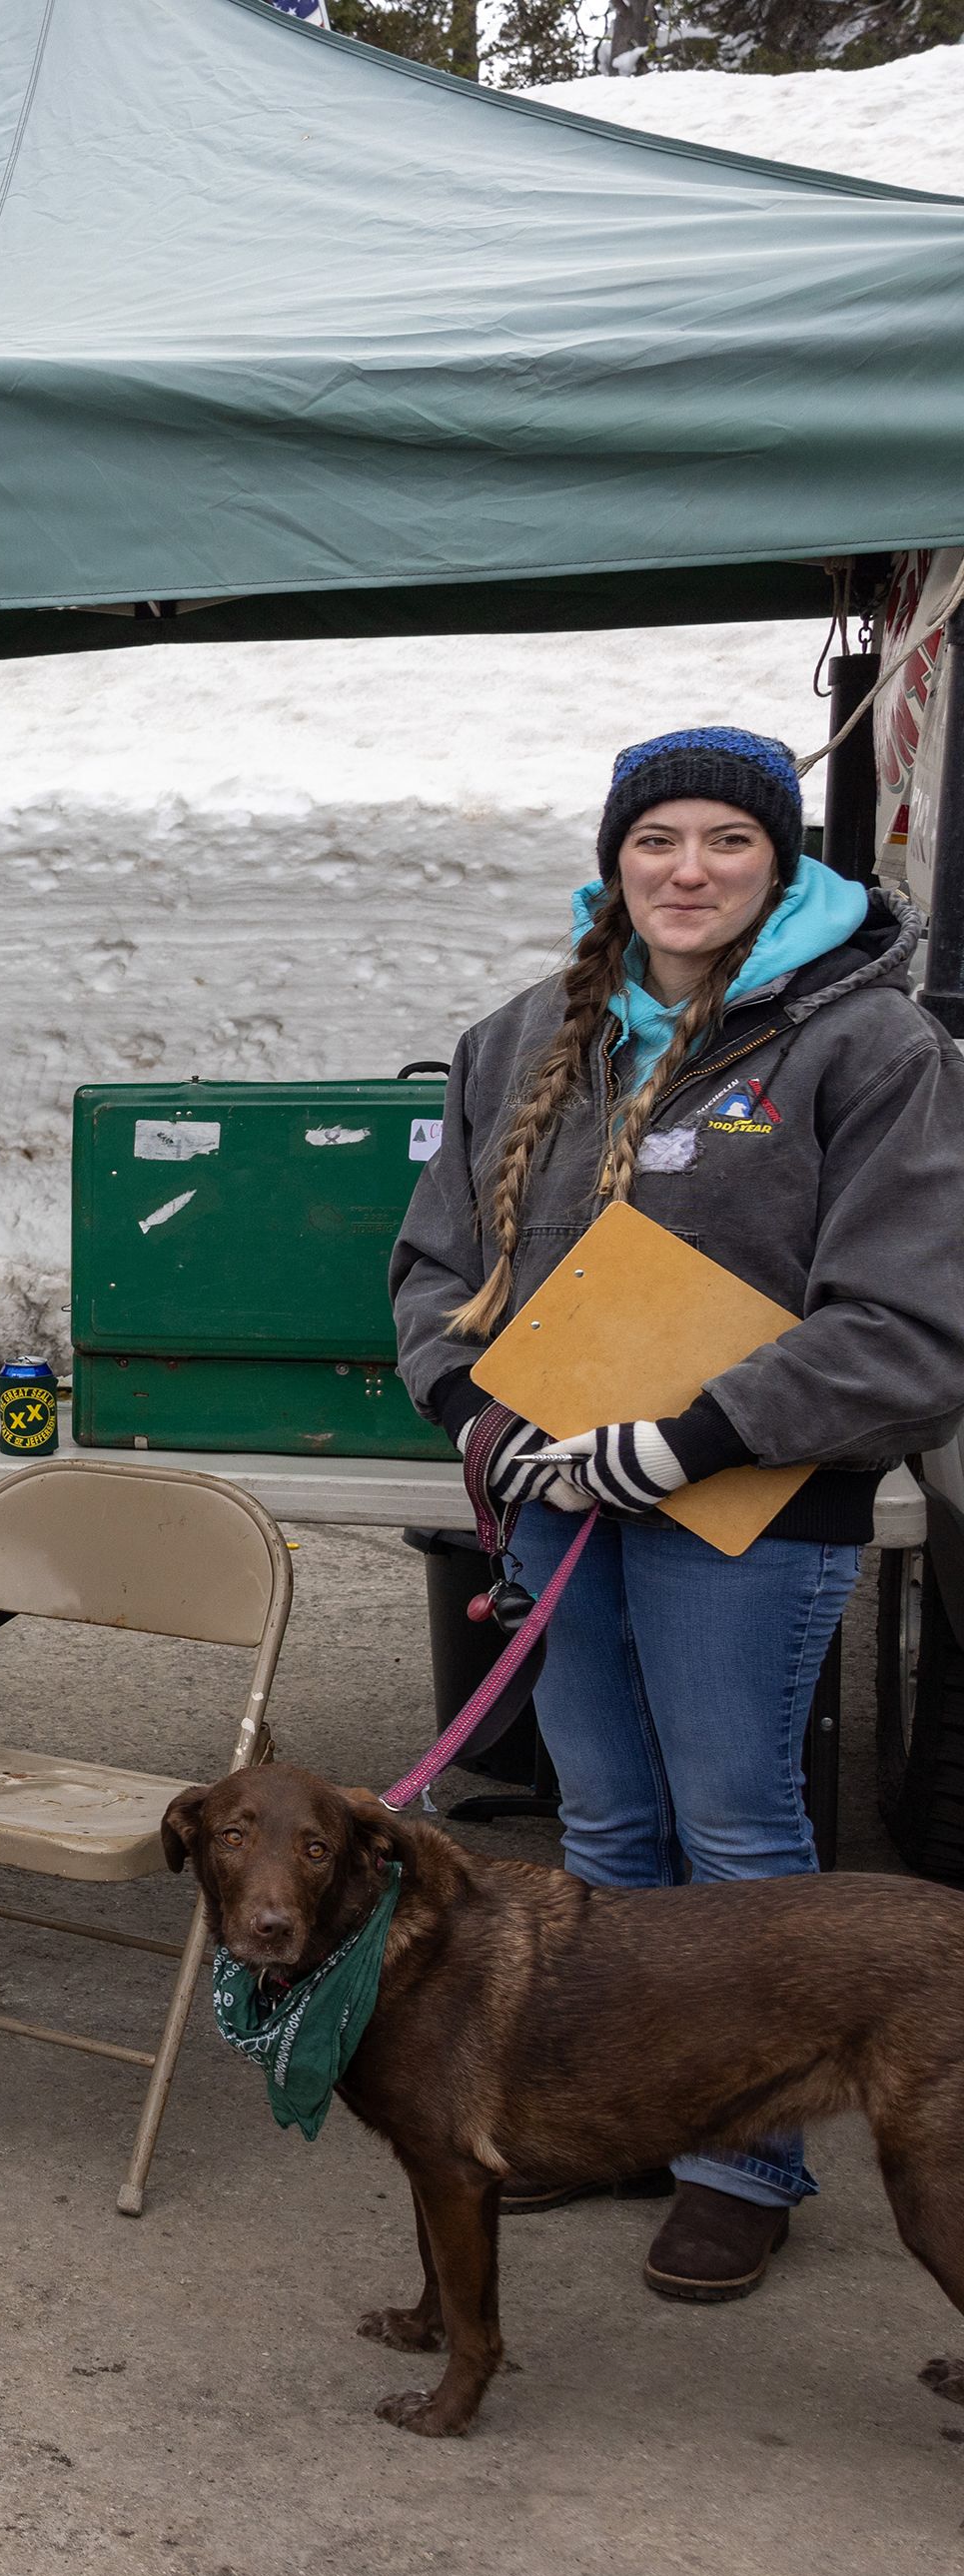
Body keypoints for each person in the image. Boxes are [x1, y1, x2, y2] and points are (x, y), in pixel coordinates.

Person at [392, 724, 964, 2302]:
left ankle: (745, 2163)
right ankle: (633, 2120)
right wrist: (479, 1414)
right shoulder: (524, 1037)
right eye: (657, 841)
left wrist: (690, 1439)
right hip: (557, 1501)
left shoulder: (868, 1045)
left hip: (751, 1507)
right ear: (615, 862)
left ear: (782, 861)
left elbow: (911, 1327)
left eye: (727, 840)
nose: (688, 870)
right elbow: (432, 1270)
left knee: (738, 1829)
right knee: (604, 1827)